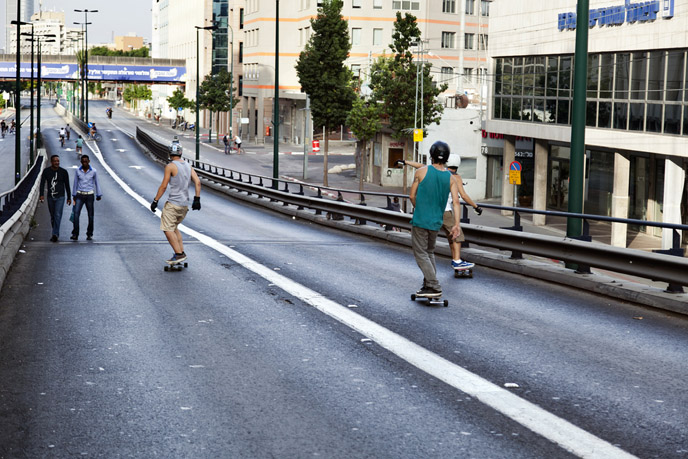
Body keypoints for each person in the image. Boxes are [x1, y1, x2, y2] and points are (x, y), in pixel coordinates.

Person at [399, 154, 483, 271]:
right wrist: (476, 206)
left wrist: (406, 161)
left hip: (432, 210)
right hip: (446, 210)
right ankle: (457, 261)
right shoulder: (454, 177)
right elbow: (462, 196)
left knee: (446, 238)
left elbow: (421, 166)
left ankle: (450, 260)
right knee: (456, 235)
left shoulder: (436, 170)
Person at [408, 141, 461, 298]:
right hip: (436, 221)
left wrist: (419, 208)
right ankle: (427, 285)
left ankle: (434, 285)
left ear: (431, 155)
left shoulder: (421, 172)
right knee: (429, 252)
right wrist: (456, 224)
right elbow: (456, 202)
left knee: (420, 253)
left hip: (421, 220)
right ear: (446, 158)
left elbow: (412, 196)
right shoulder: (451, 178)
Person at [150, 140, 201, 265]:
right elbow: (198, 182)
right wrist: (197, 199)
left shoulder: (170, 166)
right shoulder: (188, 166)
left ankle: (179, 254)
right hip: (184, 205)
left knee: (167, 228)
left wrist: (155, 200)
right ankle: (180, 252)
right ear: (181, 152)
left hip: (173, 203)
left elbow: (163, 186)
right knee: (174, 228)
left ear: (169, 153)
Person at [39, 155, 72, 242]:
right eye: (55, 161)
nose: (57, 162)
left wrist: (69, 197)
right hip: (50, 197)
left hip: (60, 197)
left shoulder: (63, 172)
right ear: (51, 162)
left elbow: (67, 185)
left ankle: (55, 234)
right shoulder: (46, 171)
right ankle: (55, 231)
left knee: (57, 215)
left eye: (58, 161)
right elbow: (42, 183)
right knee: (53, 216)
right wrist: (41, 195)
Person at [71, 155, 102, 241]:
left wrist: (98, 194)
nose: (84, 163)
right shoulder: (78, 170)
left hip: (89, 195)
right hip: (79, 195)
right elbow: (75, 183)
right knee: (76, 214)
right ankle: (75, 234)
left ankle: (89, 233)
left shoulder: (94, 171)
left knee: (90, 216)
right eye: (83, 161)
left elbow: (97, 183)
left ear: (89, 161)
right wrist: (74, 195)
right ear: (81, 162)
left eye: (86, 161)